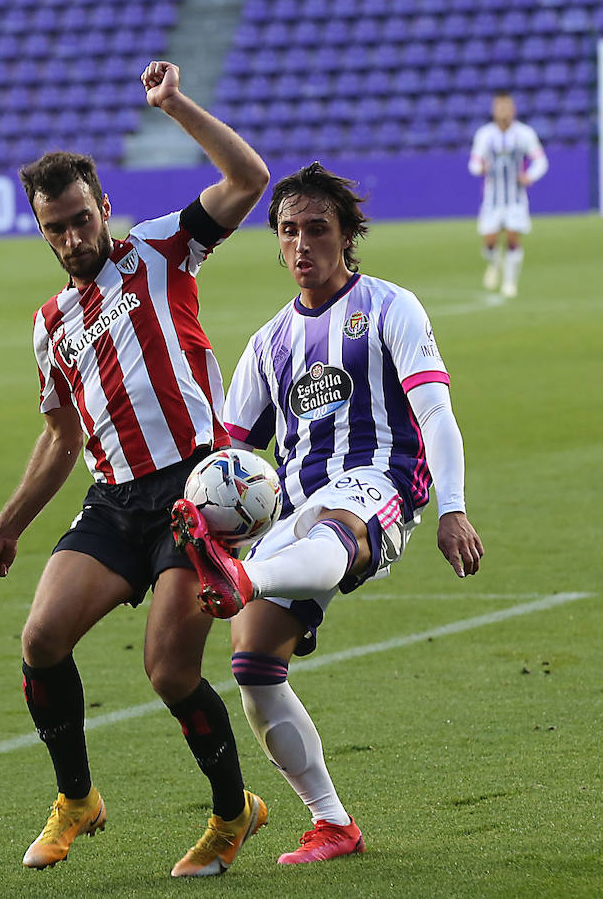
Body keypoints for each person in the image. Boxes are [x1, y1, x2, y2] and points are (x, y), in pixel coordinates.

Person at [0, 60, 271, 878]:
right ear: (42, 232)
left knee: (169, 670)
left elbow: (249, 178)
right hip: (113, 500)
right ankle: (77, 798)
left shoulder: (162, 251)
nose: (73, 239)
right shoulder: (50, 325)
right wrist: (7, 527)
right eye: (55, 229)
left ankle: (232, 812)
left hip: (196, 492)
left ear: (104, 208)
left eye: (81, 220)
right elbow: (60, 439)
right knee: (41, 639)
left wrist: (173, 105)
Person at [171, 163, 484, 864]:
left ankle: (246, 579)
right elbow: (229, 457)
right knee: (253, 666)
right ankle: (333, 824)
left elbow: (436, 412)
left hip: (379, 485)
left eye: (318, 229)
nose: (302, 244)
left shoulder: (390, 307)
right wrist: (200, 510)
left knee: (331, 531)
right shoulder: (270, 343)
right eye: (289, 231)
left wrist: (453, 509)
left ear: (346, 236)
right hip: (295, 503)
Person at [468, 91, 548, 298]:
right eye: (499, 108)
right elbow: (474, 163)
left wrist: (529, 176)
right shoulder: (485, 135)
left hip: (515, 198)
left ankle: (510, 282)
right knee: (489, 243)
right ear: (494, 110)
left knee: (512, 238)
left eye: (506, 108)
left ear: (513, 110)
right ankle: (495, 264)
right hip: (493, 199)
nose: (503, 112)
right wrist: (480, 168)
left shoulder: (524, 134)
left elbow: (541, 161)